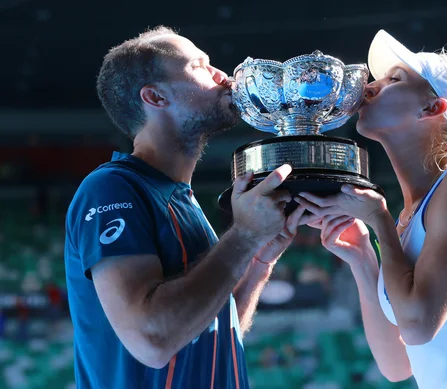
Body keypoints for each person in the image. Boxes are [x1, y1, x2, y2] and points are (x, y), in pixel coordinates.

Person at [64, 26, 308, 389]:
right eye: (199, 66)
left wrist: (258, 258)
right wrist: (242, 238)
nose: (223, 75)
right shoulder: (111, 187)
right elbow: (152, 341)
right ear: (156, 97)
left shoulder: (181, 198)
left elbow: (208, 331)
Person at [294, 30, 447, 389]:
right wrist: (363, 257)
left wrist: (380, 221)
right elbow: (396, 365)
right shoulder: (410, 218)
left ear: (433, 107)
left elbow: (419, 326)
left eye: (394, 80)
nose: (371, 87)